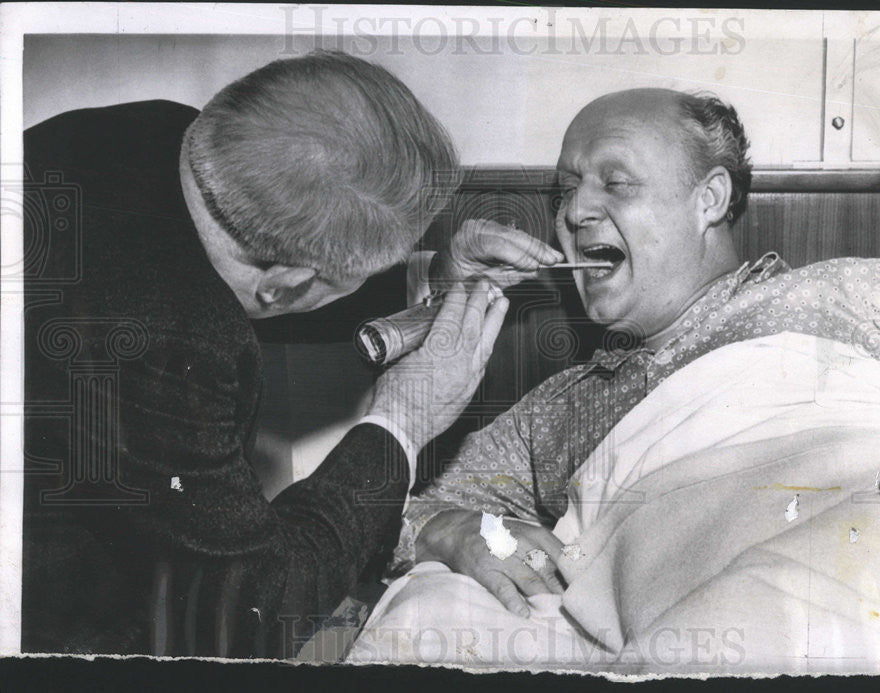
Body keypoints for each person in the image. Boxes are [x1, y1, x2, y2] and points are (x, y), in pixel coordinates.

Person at [21, 50, 558, 658]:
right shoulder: (167, 348)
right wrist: (404, 419)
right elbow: (250, 612)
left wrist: (436, 276)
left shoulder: (152, 131)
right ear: (285, 287)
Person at [390, 88, 880, 621]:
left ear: (710, 199)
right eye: (565, 192)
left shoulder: (853, 293)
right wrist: (450, 529)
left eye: (615, 183)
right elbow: (390, 513)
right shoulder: (557, 409)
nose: (575, 211)